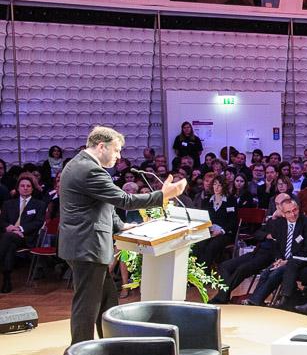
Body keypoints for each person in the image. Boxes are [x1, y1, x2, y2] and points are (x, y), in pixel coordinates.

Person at [58, 126, 186, 343]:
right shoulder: (90, 170)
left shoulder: (80, 164)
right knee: (87, 306)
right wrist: (163, 195)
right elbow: (124, 201)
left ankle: (111, 345)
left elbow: (102, 204)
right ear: (101, 146)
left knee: (107, 300)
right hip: (86, 245)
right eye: (116, 150)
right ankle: (80, 353)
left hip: (82, 243)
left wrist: (120, 225)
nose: (119, 156)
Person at [0, 173, 47, 293]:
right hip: (9, 237)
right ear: (18, 188)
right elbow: (2, 221)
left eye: (28, 186)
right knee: (10, 245)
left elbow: (38, 222)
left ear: (32, 188)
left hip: (26, 237)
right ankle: (6, 280)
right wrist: (9, 227)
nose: (25, 188)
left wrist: (20, 229)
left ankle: (6, 279)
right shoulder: (8, 204)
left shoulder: (39, 204)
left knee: (8, 238)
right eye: (22, 186)